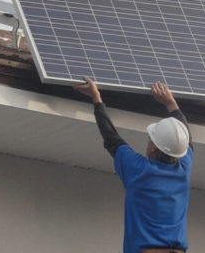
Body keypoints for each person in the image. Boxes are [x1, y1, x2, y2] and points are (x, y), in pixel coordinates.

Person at [74, 78, 193, 253]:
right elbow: (186, 139)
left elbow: (111, 137)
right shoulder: (183, 170)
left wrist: (96, 97)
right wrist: (171, 102)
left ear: (153, 146)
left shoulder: (139, 170)